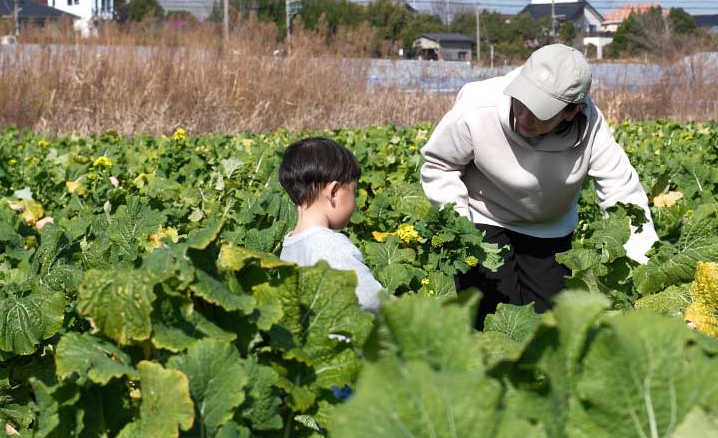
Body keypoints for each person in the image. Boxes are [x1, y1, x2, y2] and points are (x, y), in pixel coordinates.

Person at [421, 44, 657, 327]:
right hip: (483, 217)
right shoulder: (478, 107)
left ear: (571, 112)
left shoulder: (591, 126)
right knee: (497, 319)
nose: (524, 116)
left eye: (539, 112)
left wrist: (645, 265)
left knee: (550, 325)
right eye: (521, 102)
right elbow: (439, 165)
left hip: (548, 228)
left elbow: (622, 193)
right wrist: (459, 224)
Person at [278, 136, 384, 312]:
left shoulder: (289, 245)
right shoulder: (331, 245)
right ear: (333, 192)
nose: (355, 201)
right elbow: (369, 298)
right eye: (354, 192)